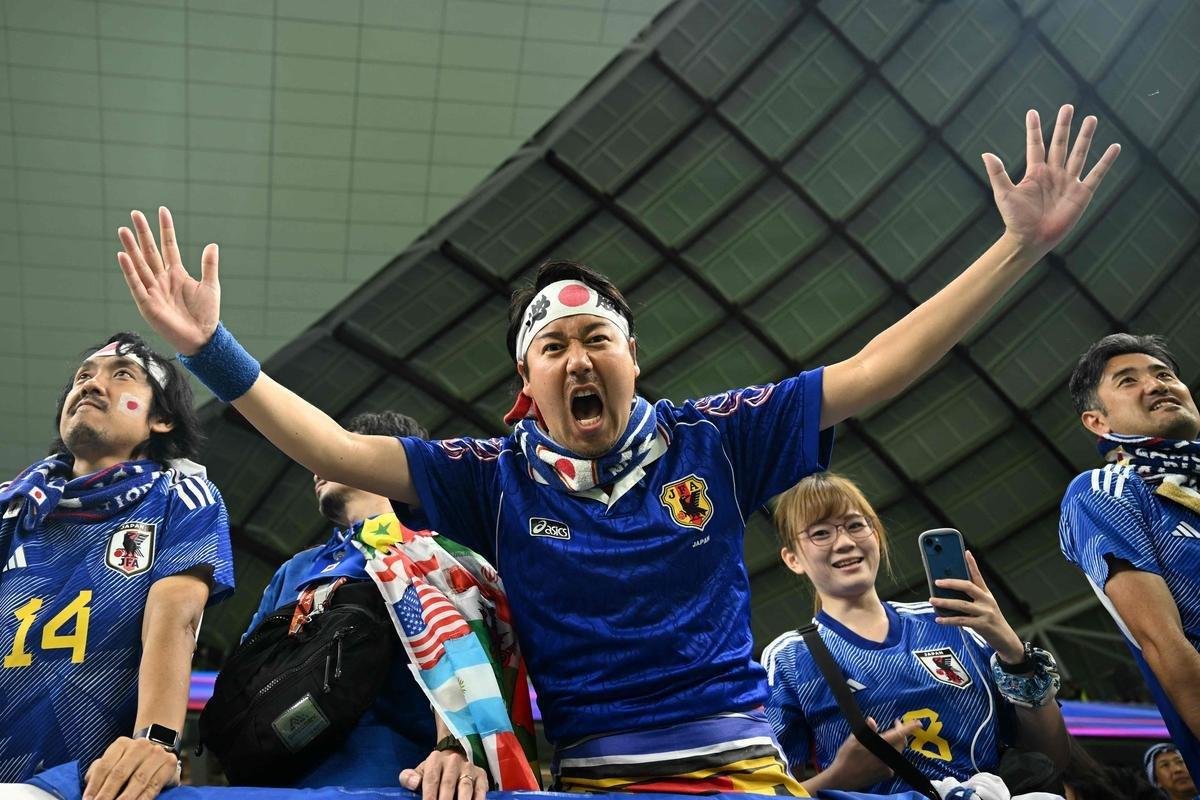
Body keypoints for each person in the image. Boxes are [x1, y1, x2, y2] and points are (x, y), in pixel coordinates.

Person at [115, 104, 1117, 794]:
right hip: (596, 779)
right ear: (528, 380)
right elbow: (334, 444)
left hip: (745, 768)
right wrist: (210, 349)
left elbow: (874, 368)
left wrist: (1018, 246)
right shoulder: (493, 477)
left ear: (634, 357)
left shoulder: (714, 435)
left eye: (597, 337)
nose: (578, 356)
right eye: (553, 345)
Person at [0, 332, 234, 800]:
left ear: (161, 419)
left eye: (121, 375)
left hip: (88, 783)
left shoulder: (180, 496)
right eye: (82, 377)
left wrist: (155, 739)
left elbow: (176, 616)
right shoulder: (11, 504)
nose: (89, 384)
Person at [761, 473, 1068, 792]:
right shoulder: (790, 659)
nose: (845, 542)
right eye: (821, 533)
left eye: (855, 525)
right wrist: (839, 778)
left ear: (876, 534)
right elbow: (759, 794)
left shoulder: (952, 625)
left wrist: (1013, 653)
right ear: (793, 558)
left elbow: (1052, 758)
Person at [240, 411, 454, 789]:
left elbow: (463, 664)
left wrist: (451, 746)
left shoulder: (438, 551)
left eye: (335, 448)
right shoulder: (295, 569)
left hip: (397, 780)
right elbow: (247, 673)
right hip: (280, 782)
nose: (316, 465)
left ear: (381, 456)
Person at [1058, 334, 1200, 780]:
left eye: (1165, 374)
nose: (1157, 385)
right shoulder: (1106, 490)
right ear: (1097, 421)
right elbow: (1161, 641)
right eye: (1128, 380)